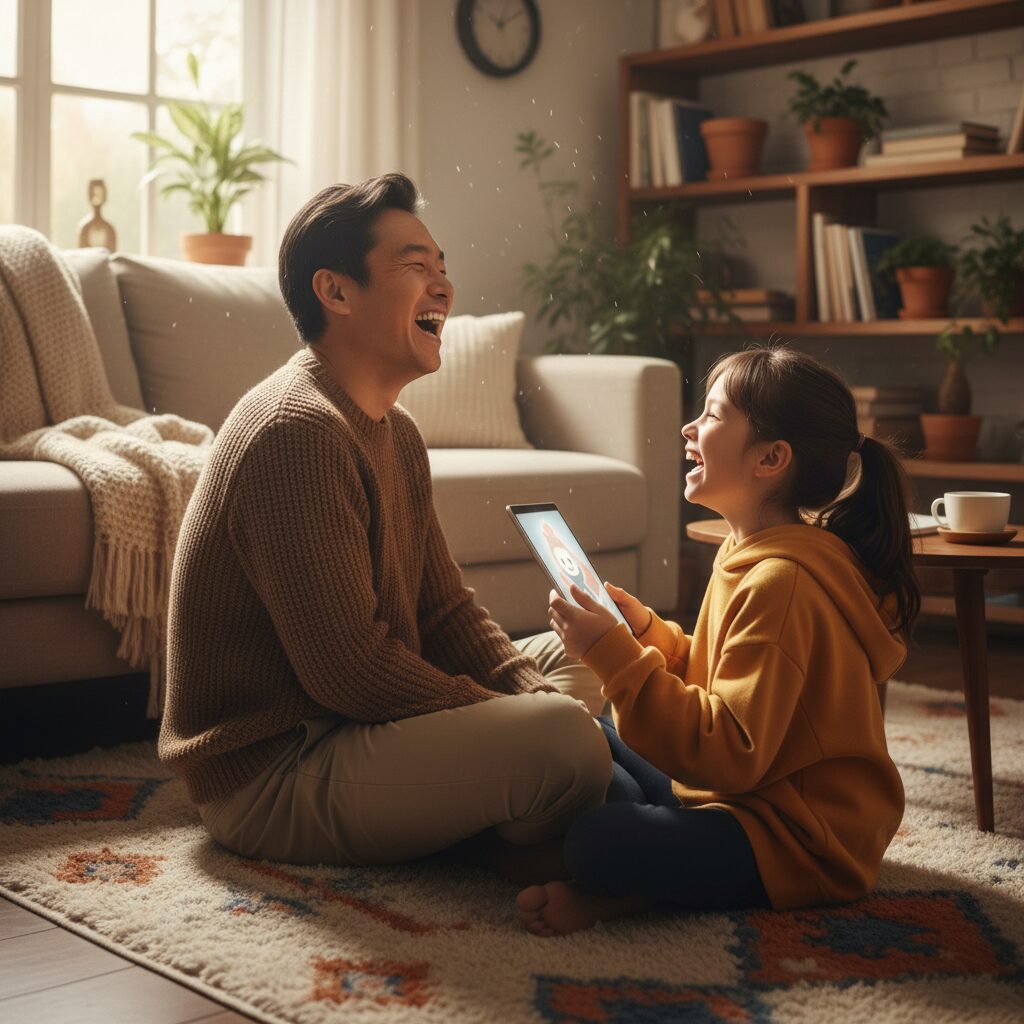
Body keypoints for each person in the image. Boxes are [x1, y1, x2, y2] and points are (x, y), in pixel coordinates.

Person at [158, 173, 611, 873]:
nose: (442, 287)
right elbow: (352, 673)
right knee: (566, 741)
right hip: (280, 769)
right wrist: (511, 714)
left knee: (595, 654)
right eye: (415, 268)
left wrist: (524, 692)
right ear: (335, 292)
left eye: (442, 269)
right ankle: (543, 806)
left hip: (355, 727)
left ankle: (525, 797)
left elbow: (443, 607)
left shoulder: (393, 430)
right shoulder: (295, 431)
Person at [518, 345, 920, 936]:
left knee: (596, 841)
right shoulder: (746, 550)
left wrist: (614, 656)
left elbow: (729, 749)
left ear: (771, 458)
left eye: (710, 415)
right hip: (738, 795)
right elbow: (715, 678)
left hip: (796, 836)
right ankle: (652, 862)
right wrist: (646, 635)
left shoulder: (782, 582)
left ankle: (630, 889)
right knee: (580, 732)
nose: (688, 427)